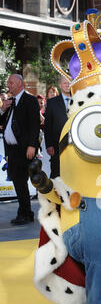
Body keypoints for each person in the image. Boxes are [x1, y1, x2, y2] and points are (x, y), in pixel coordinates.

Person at [0, 74, 40, 225]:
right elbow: (2, 122)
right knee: (18, 182)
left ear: (19, 84)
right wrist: (2, 109)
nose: (8, 85)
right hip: (12, 150)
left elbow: (34, 125)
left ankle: (25, 213)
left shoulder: (29, 100)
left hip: (24, 148)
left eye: (10, 82)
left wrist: (32, 145)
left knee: (21, 181)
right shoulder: (9, 102)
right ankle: (25, 212)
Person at [44, 76, 70, 178]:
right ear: (60, 86)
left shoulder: (79, 100)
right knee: (56, 173)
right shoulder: (52, 102)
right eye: (65, 83)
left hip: (75, 144)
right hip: (56, 144)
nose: (67, 85)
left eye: (69, 83)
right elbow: (48, 125)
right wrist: (49, 144)